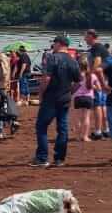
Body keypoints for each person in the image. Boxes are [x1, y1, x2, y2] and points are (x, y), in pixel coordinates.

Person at [32, 36, 82, 167]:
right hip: (64, 98)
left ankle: (42, 158)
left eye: (54, 44)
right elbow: (79, 82)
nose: (53, 46)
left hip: (51, 97)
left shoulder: (52, 58)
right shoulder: (73, 61)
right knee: (62, 128)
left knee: (41, 126)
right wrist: (70, 92)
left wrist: (40, 93)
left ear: (59, 44)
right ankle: (59, 159)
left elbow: (46, 78)